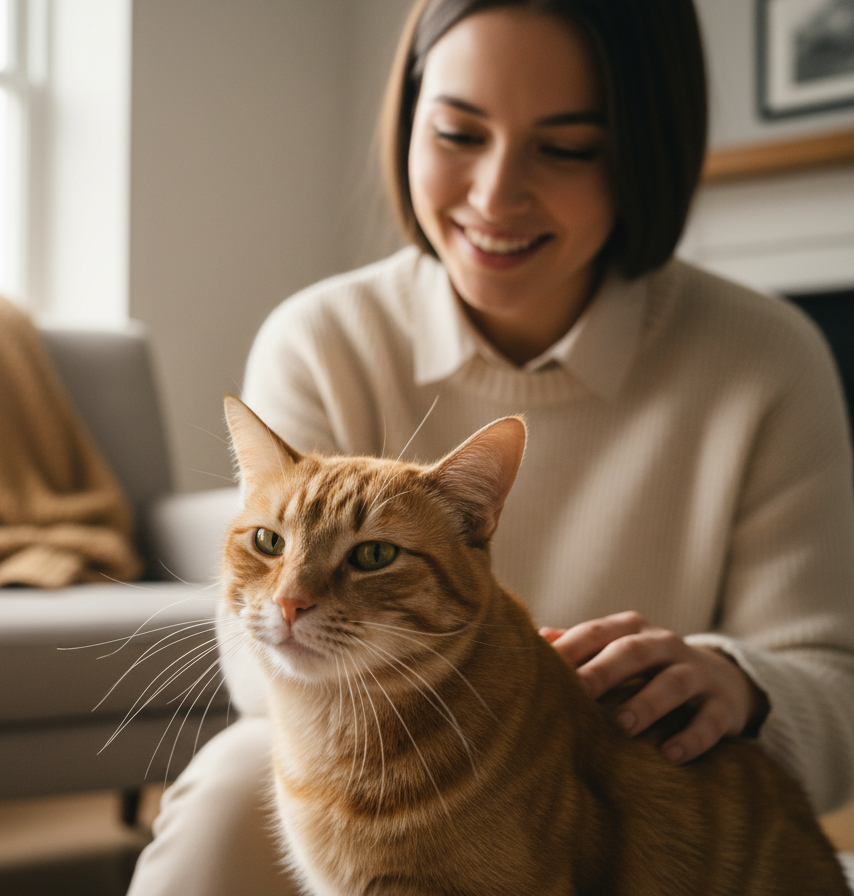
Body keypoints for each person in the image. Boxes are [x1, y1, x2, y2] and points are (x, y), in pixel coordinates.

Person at [127, 1, 854, 893]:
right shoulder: (320, 335)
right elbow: (257, 651)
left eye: (567, 147)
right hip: (370, 736)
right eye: (458, 132)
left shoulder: (767, 357)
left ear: (646, 148)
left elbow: (836, 688)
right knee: (228, 791)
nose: (495, 194)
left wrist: (739, 683)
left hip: (644, 798)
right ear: (408, 120)